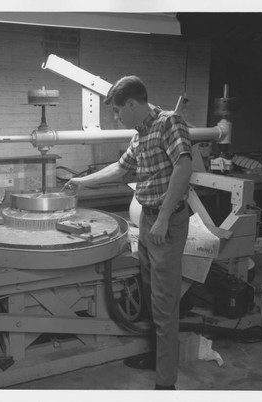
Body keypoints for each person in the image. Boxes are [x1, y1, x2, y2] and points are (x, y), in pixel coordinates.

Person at [62, 76, 192, 390]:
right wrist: (83, 182)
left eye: (118, 111)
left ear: (132, 104)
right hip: (148, 220)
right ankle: (156, 355)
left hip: (166, 222)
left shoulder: (168, 123)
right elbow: (120, 168)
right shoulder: (141, 134)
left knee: (163, 302)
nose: (117, 117)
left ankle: (166, 383)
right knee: (149, 295)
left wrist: (161, 219)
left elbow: (184, 167)